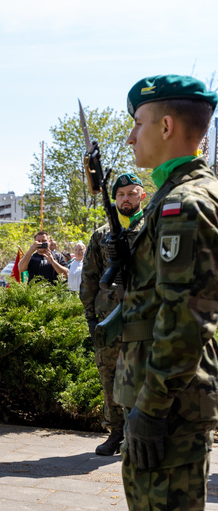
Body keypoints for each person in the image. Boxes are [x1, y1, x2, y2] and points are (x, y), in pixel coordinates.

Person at [116, 74, 218, 511]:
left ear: (168, 125)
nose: (131, 135)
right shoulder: (168, 198)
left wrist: (149, 410)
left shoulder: (185, 205)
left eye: (138, 123)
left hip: (169, 408)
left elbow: (185, 321)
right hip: (166, 401)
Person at [80, 174, 146, 456]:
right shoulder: (101, 235)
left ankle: (139, 435)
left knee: (141, 378)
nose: (125, 199)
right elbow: (89, 279)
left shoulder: (154, 229)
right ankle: (116, 433)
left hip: (143, 317)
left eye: (131, 193)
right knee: (109, 377)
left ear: (142, 196)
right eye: (120, 195)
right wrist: (91, 318)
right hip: (109, 319)